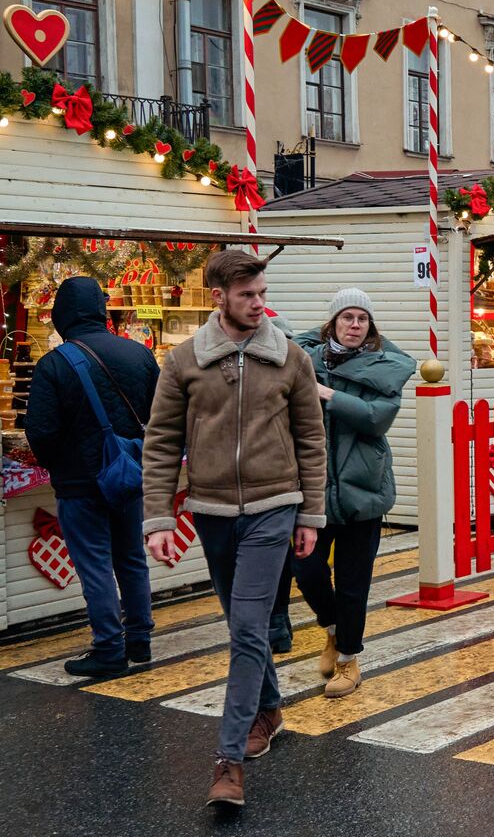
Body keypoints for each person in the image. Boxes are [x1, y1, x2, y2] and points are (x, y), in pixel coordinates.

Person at [142, 250, 326, 809]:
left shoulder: (290, 358)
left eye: (261, 293)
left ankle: (228, 762)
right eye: (247, 295)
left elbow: (312, 440)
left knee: (248, 626)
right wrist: (157, 516)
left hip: (274, 507)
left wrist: (310, 514)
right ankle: (268, 708)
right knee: (240, 623)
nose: (259, 303)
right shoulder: (183, 362)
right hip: (212, 511)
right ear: (218, 296)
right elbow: (161, 444)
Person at [23, 277, 160, 677]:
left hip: (79, 484)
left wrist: (60, 467)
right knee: (132, 558)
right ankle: (140, 640)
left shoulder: (55, 362)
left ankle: (108, 649)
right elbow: (158, 414)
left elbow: (41, 431)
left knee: (96, 564)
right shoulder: (140, 354)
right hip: (130, 475)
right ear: (101, 311)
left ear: (62, 314)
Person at [291, 289, 413, 698]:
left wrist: (328, 394)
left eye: (362, 318)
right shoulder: (304, 361)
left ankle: (348, 660)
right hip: (314, 488)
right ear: (333, 323)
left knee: (353, 580)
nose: (355, 325)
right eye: (348, 317)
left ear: (370, 326)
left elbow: (376, 419)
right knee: (305, 570)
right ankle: (333, 629)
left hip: (363, 488)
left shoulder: (385, 367)